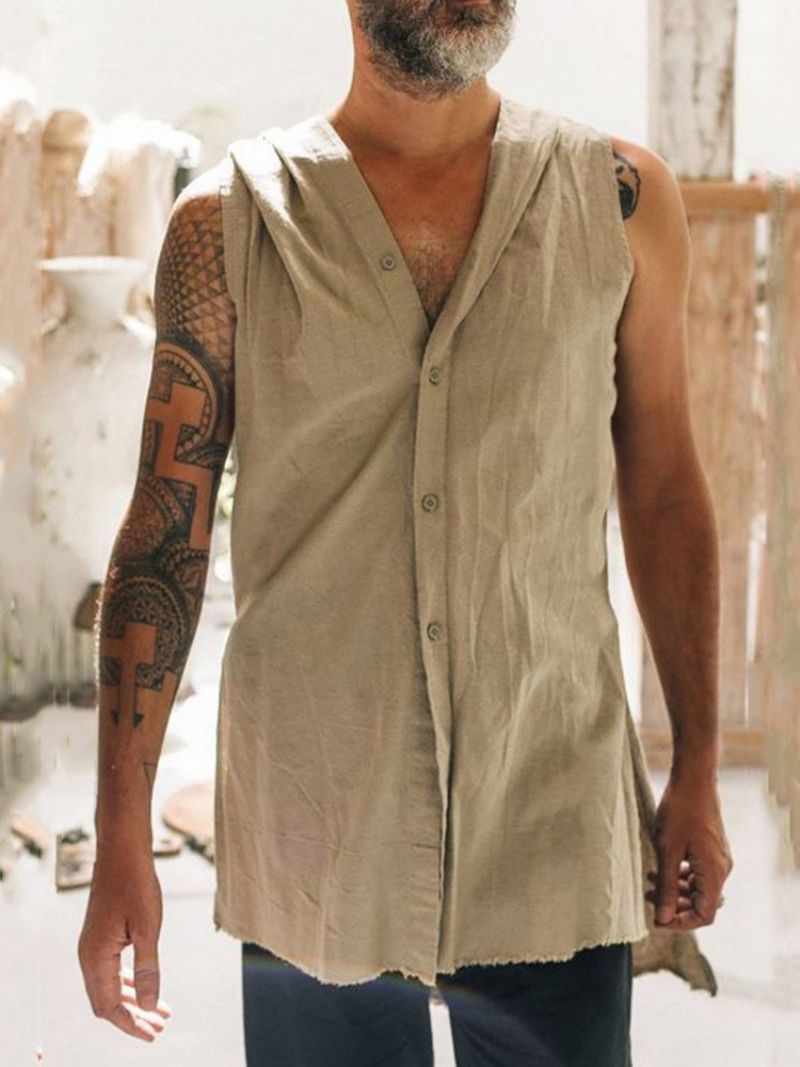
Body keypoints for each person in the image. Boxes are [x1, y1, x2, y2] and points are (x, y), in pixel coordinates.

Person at [78, 0, 734, 1063]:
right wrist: (122, 835)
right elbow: (164, 534)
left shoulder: (617, 199)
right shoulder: (231, 222)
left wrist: (696, 763)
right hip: (314, 826)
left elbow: (662, 487)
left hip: (548, 810)